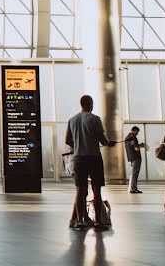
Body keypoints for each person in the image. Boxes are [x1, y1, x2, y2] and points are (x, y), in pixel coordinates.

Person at [65, 95, 115, 231]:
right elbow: (103, 140)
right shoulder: (95, 119)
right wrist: (109, 143)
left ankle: (80, 221)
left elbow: (68, 140)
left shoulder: (72, 120)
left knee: (80, 190)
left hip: (79, 159)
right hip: (94, 157)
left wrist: (78, 145)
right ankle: (98, 221)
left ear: (81, 104)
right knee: (96, 189)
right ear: (91, 104)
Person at [124, 126, 146, 193]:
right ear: (134, 130)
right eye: (137, 132)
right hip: (135, 157)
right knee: (135, 173)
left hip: (132, 157)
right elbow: (136, 148)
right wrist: (141, 146)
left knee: (134, 173)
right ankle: (133, 188)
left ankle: (132, 188)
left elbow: (133, 146)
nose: (137, 133)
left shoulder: (128, 137)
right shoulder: (132, 137)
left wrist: (139, 145)